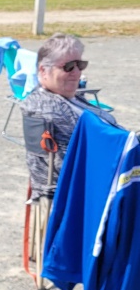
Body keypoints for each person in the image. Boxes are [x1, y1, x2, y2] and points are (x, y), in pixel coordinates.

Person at [19, 33, 117, 199]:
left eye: (80, 65)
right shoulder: (47, 107)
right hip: (80, 195)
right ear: (43, 70)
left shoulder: (68, 97)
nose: (77, 72)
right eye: (68, 66)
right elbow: (71, 163)